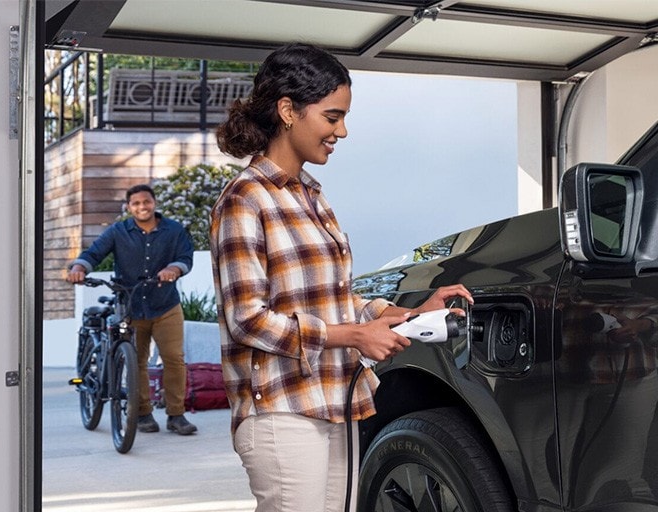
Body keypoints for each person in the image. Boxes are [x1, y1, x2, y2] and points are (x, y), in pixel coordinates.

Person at [209, 42, 472, 511]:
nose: (342, 131)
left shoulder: (312, 197)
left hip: (335, 400)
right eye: (332, 117)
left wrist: (408, 314)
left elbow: (334, 298)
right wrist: (355, 335)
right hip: (281, 411)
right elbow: (246, 319)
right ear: (288, 110)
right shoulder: (245, 199)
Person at [67, 184, 198, 435]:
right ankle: (143, 414)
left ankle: (176, 415)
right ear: (129, 207)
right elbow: (94, 253)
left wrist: (175, 268)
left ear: (154, 203)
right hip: (130, 306)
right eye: (136, 204)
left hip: (165, 305)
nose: (142, 207)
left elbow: (185, 257)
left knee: (174, 359)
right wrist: (79, 268)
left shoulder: (173, 230)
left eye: (146, 202)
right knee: (136, 361)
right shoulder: (118, 231)